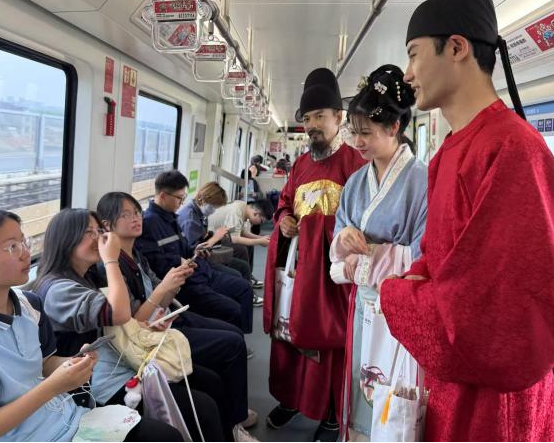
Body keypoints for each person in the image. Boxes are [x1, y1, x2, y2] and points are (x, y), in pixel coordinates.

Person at [379, 0, 554, 441]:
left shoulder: (512, 150)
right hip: (452, 386)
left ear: (456, 47)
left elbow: (494, 320)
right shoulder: (448, 153)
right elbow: (439, 265)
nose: (407, 73)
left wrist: (393, 292)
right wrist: (418, 280)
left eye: (413, 53)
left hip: (493, 405)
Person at [0, 207, 182, 442]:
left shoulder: (29, 304)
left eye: (23, 242)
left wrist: (71, 364)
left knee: (166, 435)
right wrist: (52, 388)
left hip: (66, 419)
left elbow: (44, 363)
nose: (25, 253)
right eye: (11, 247)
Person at [32, 209, 225, 442]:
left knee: (209, 380)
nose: (97, 238)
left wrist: (143, 325)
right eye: (88, 232)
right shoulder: (59, 289)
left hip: (120, 360)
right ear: (65, 240)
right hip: (98, 382)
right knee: (202, 408)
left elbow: (122, 321)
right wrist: (111, 260)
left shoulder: (88, 275)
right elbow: (119, 314)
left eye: (98, 231)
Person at [96, 191, 259, 441]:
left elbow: (159, 297)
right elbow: (132, 322)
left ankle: (232, 416)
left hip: (164, 319)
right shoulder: (110, 268)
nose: (136, 218)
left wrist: (175, 282)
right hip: (149, 336)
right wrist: (164, 288)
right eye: (126, 215)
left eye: (137, 212)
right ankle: (234, 421)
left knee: (233, 333)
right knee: (232, 344)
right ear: (107, 225)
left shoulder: (136, 256)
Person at [263, 67, 366, 441]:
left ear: (339, 117)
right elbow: (285, 203)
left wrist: (315, 230)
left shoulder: (356, 163)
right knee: (289, 336)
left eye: (319, 116)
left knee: (328, 343)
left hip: (333, 276)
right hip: (299, 268)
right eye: (307, 119)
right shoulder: (301, 165)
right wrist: (285, 220)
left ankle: (331, 412)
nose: (311, 126)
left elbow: (362, 221)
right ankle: (292, 399)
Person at [329, 65, 427, 439]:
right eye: (354, 132)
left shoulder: (422, 181)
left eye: (366, 132)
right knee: (361, 386)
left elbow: (423, 257)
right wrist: (343, 240)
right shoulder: (356, 182)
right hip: (362, 304)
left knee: (393, 392)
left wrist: (367, 255)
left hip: (400, 308)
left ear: (394, 127)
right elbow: (336, 253)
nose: (358, 141)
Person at [135, 171, 254, 336]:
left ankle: (240, 336)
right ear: (163, 196)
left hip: (200, 272)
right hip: (187, 285)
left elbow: (185, 247)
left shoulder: (171, 218)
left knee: (244, 288)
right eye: (179, 198)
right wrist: (179, 260)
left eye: (183, 198)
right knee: (234, 310)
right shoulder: (149, 224)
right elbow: (155, 262)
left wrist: (195, 251)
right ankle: (238, 338)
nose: (181, 202)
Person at [177, 182, 253, 282]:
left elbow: (201, 237)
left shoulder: (198, 212)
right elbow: (196, 252)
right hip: (196, 263)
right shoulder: (190, 219)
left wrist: (212, 235)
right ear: (203, 200)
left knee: (243, 263)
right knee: (238, 272)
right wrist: (216, 237)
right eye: (213, 206)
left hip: (205, 255)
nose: (214, 210)